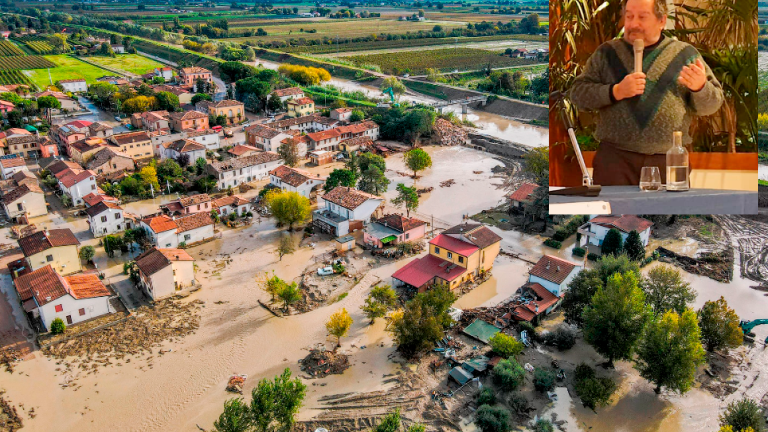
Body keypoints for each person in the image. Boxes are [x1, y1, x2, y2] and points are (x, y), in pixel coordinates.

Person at [568, 0, 724, 186]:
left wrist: (700, 88)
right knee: (613, 216)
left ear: (661, 21)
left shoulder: (686, 55)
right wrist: (615, 91)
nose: (633, 24)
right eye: (629, 17)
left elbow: (713, 104)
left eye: (642, 17)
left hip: (669, 161)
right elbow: (577, 94)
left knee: (667, 215)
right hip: (615, 161)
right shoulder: (606, 53)